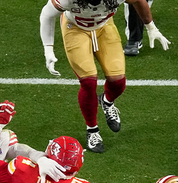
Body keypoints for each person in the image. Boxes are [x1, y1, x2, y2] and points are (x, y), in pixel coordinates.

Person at [39, 0, 169, 153]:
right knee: (88, 82)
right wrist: (48, 49)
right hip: (75, 28)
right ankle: (92, 130)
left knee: (118, 82)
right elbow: (47, 14)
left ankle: (106, 101)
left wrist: (151, 26)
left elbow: (138, 1)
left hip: (104, 26)